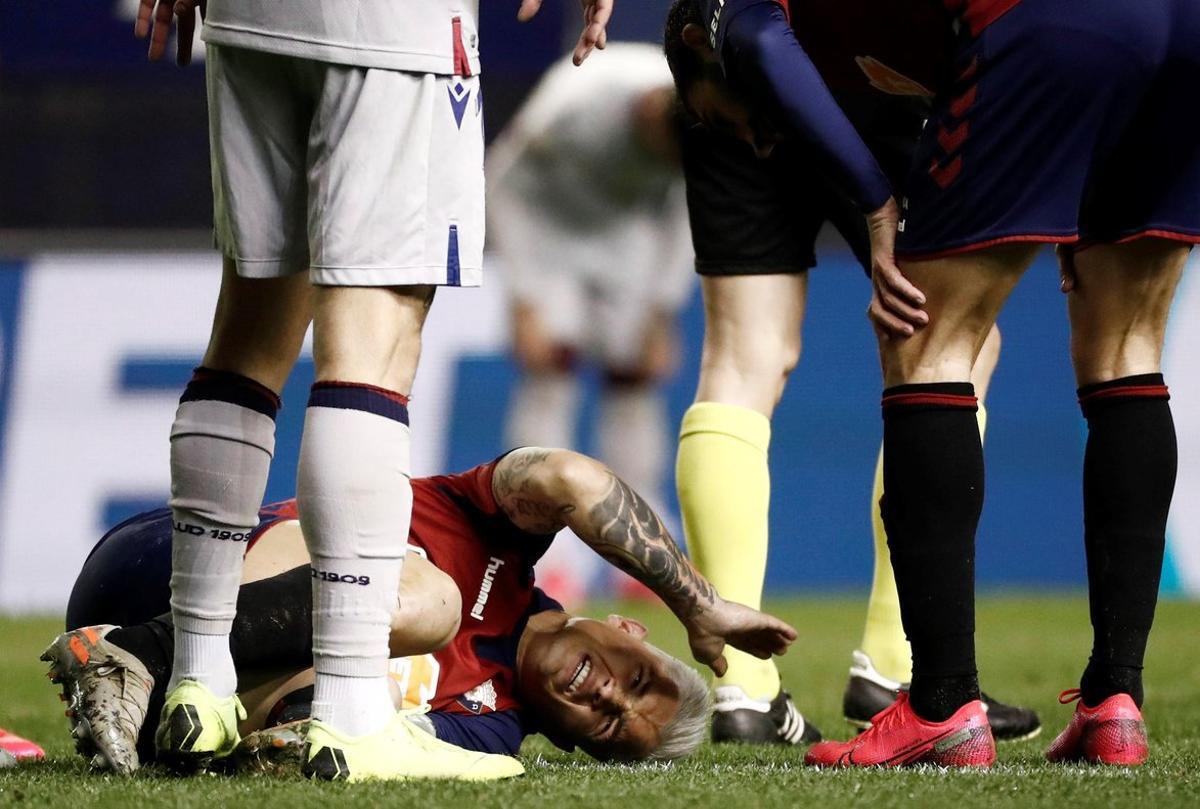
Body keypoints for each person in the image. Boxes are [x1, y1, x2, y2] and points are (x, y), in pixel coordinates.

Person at [667, 0, 1197, 768]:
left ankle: (936, 701)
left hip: (1040, 22)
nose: (756, 139)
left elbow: (751, 29)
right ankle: (1114, 699)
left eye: (722, 117)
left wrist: (880, 208)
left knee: (923, 341)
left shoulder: (722, 21)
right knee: (1125, 344)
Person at [132, 0, 611, 782]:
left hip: (248, 16)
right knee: (372, 347)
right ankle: (353, 712)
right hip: (388, 22)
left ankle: (199, 680)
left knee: (249, 333)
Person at [659, 0, 1037, 745]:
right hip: (846, 83)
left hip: (727, 74)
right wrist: (875, 199)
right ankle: (897, 665)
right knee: (954, 350)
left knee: (743, 359)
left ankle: (741, 687)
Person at [42, 447, 796, 777]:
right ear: (629, 627)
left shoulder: (487, 731)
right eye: (635, 682)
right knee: (427, 606)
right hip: (160, 564)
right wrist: (697, 604)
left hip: (173, 713)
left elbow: (313, 732)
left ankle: (136, 680)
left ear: (574, 743)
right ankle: (136, 652)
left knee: (350, 712)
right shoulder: (497, 531)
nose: (604, 694)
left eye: (606, 723)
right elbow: (571, 475)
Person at [487, 44, 694, 606]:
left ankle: (643, 545)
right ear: (650, 115)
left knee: (634, 379)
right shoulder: (579, 91)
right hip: (546, 232)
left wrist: (662, 309)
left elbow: (685, 213)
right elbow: (502, 180)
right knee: (549, 373)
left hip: (627, 242)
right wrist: (523, 294)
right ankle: (541, 552)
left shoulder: (694, 118)